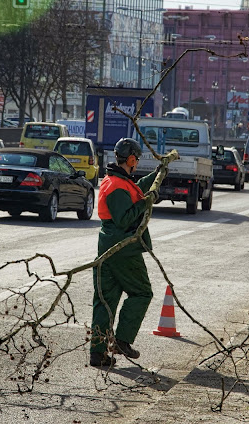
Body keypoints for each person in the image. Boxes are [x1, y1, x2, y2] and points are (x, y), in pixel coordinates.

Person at [90, 137, 159, 367]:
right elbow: (124, 218)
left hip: (107, 248)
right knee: (142, 293)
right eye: (136, 160)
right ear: (130, 159)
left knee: (105, 301)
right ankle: (122, 340)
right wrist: (146, 203)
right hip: (123, 249)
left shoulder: (117, 181)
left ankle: (98, 354)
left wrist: (159, 174)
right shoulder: (117, 186)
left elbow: (137, 191)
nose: (137, 164)